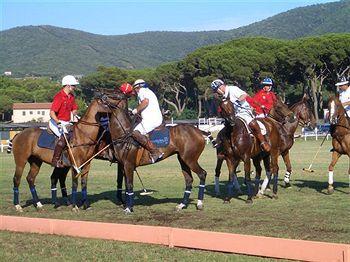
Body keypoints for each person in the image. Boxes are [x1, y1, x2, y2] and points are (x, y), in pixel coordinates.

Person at [211, 79, 271, 152]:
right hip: (233, 115)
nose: (216, 92)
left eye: (216, 90)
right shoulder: (222, 96)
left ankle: (263, 142)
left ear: (221, 87)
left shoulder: (232, 89)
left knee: (253, 124)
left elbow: (244, 95)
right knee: (226, 127)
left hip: (244, 112)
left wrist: (237, 101)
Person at [120, 80, 164, 163]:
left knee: (135, 133)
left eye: (135, 88)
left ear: (138, 87)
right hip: (151, 118)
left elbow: (145, 102)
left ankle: (155, 152)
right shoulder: (147, 91)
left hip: (152, 119)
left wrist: (135, 111)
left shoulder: (142, 91)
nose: (134, 91)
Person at [50, 75, 79, 168]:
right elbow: (52, 113)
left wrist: (75, 114)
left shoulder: (71, 97)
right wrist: (58, 122)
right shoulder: (59, 96)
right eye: (73, 85)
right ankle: (55, 160)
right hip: (56, 122)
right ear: (68, 85)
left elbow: (74, 109)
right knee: (64, 138)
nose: (75, 87)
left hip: (67, 122)